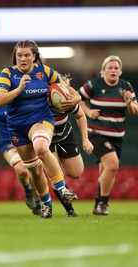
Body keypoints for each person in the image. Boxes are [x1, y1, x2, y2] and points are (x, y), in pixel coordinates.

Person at [0, 40, 79, 219]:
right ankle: (46, 206)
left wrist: (77, 97)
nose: (23, 59)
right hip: (17, 128)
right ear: (15, 57)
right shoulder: (7, 73)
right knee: (34, 170)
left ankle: (62, 189)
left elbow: (65, 86)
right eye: (19, 55)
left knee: (41, 147)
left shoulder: (44, 71)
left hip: (41, 120)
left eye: (27, 55)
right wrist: (18, 89)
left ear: (34, 56)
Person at [78, 55, 138, 216]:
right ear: (103, 70)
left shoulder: (126, 86)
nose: (113, 70)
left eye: (116, 68)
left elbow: (135, 111)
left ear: (120, 71)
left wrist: (129, 102)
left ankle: (97, 206)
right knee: (112, 165)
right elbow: (77, 99)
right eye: (110, 67)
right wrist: (88, 112)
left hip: (117, 136)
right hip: (97, 134)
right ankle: (102, 204)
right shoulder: (94, 85)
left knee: (107, 171)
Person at [48, 77, 94, 217]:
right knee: (56, 175)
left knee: (76, 172)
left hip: (65, 136)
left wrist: (85, 139)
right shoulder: (38, 103)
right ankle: (70, 210)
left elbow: (81, 116)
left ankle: (57, 169)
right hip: (47, 141)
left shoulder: (67, 100)